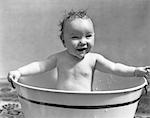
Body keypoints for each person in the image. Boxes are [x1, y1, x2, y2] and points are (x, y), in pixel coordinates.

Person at [7, 10, 150, 91]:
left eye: (88, 36)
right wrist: (18, 72)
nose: (83, 41)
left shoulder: (94, 59)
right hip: (60, 102)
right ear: (63, 41)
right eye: (75, 37)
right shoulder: (59, 58)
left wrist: (136, 71)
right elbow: (39, 65)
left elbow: (115, 67)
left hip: (84, 103)